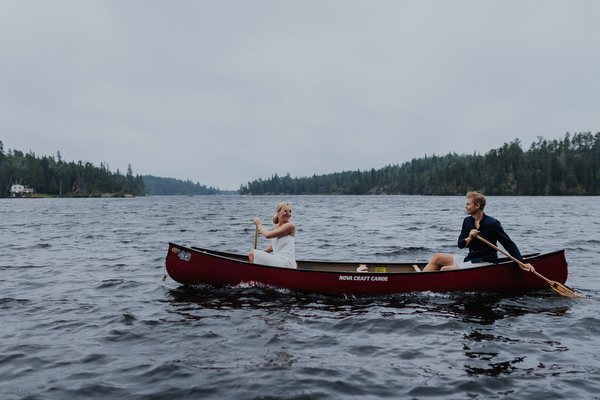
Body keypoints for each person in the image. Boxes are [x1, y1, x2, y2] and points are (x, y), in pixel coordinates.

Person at [422, 191, 534, 272]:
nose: (465, 206)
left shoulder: (492, 224)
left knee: (445, 269)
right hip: (471, 259)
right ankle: (420, 282)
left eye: (468, 204)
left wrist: (521, 263)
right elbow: (460, 244)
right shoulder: (467, 222)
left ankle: (429, 286)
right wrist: (470, 238)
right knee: (437, 257)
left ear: (477, 206)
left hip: (485, 262)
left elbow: (508, 243)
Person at [248, 201, 296, 269]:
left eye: (290, 211)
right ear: (278, 212)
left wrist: (259, 224)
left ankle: (254, 278)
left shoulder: (290, 226)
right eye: (285, 211)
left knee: (252, 253)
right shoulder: (275, 227)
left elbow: (267, 235)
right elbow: (274, 245)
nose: (288, 214)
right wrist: (262, 253)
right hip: (278, 260)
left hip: (286, 262)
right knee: (254, 254)